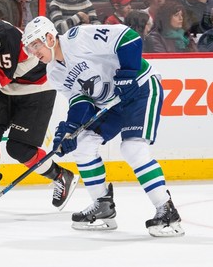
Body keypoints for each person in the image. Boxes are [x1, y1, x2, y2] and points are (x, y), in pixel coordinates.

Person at [22, 16, 185, 237]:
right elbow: (81, 102)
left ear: (49, 37)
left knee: (133, 148)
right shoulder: (54, 72)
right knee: (82, 144)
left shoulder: (77, 38)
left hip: (140, 87)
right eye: (30, 48)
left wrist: (127, 75)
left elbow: (129, 38)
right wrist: (69, 129)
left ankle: (167, 211)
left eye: (35, 45)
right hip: (110, 103)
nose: (33, 52)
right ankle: (103, 206)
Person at [0, 0, 79, 211]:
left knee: (19, 148)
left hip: (36, 91)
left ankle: (61, 176)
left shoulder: (2, 36)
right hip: (8, 88)